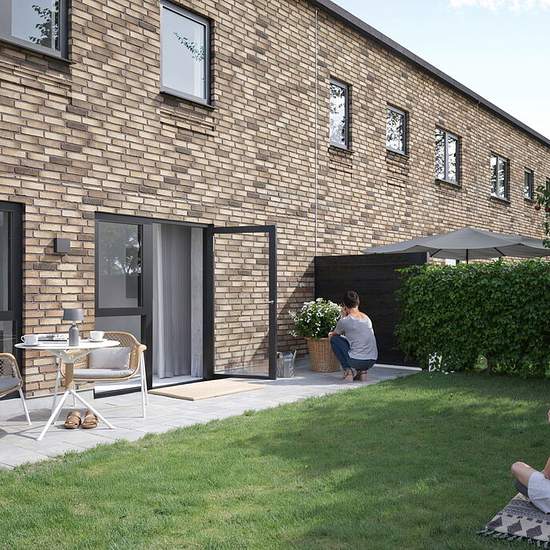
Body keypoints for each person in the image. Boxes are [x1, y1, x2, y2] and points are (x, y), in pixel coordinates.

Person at [329, 290, 378, 382]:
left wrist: (343, 316)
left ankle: (348, 372)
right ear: (358, 302)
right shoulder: (367, 318)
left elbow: (334, 334)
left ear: (344, 305)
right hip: (372, 360)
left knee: (334, 339)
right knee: (357, 344)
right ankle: (362, 372)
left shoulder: (345, 321)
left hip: (357, 361)